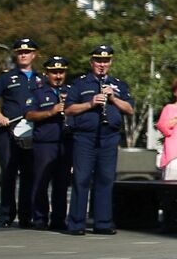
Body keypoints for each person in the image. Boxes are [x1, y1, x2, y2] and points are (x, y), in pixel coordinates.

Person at [63, 43, 133, 235]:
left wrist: (113, 98)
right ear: (91, 61)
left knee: (106, 179)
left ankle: (103, 222)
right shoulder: (80, 83)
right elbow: (68, 109)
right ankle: (76, 223)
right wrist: (90, 103)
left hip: (109, 137)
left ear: (111, 62)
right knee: (81, 178)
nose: (102, 64)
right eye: (98, 60)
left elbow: (130, 109)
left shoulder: (119, 84)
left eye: (106, 61)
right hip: (85, 137)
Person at [0, 36, 42, 228]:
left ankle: (26, 216)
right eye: (20, 52)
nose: (23, 55)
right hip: (8, 132)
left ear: (34, 55)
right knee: (8, 173)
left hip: (32, 132)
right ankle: (6, 215)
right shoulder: (6, 77)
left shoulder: (41, 78)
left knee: (29, 174)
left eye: (27, 52)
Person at [24, 56, 72, 230]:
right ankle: (39, 219)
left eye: (61, 72)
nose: (58, 76)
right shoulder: (38, 93)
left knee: (61, 184)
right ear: (47, 73)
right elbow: (29, 115)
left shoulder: (71, 91)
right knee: (41, 182)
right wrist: (51, 112)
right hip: (45, 143)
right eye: (54, 72)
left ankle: (59, 219)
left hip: (65, 142)